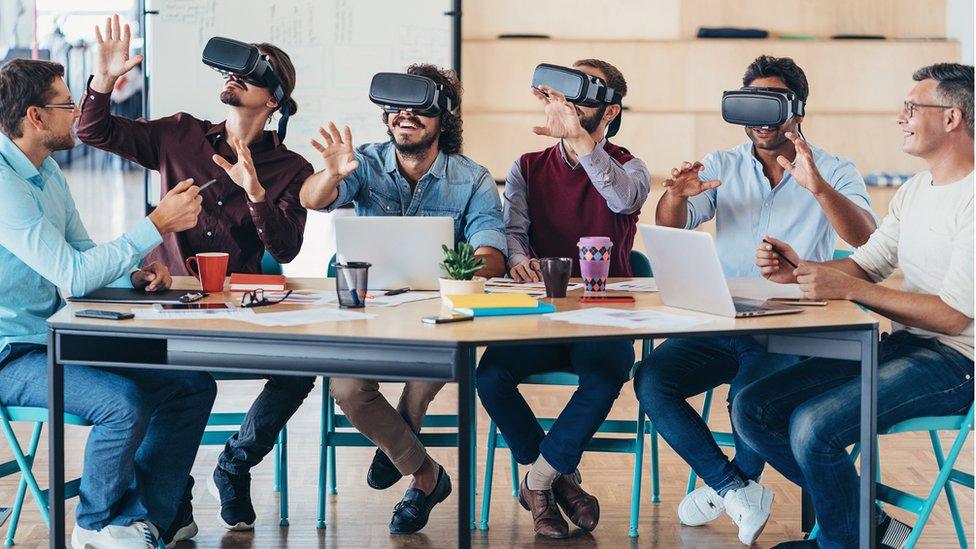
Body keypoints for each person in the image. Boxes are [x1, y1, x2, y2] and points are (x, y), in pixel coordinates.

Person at [75, 15, 317, 531]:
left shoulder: (291, 167)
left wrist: (255, 194)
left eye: (247, 74)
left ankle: (236, 461)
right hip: (166, 304)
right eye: (228, 71)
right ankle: (173, 491)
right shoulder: (179, 134)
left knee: (300, 368)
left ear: (272, 99)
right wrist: (103, 82)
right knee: (176, 381)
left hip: (237, 311)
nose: (231, 79)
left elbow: (288, 249)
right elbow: (92, 130)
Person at [632, 55, 878, 545]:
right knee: (651, 379)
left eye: (773, 102)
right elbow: (670, 225)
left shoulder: (833, 169)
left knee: (748, 400)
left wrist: (818, 187)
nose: (761, 117)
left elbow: (867, 238)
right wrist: (678, 196)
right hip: (725, 317)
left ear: (798, 111)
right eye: (751, 103)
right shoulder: (721, 165)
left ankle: (734, 486)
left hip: (795, 323)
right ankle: (734, 487)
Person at [736, 62, 974, 549]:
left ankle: (843, 541)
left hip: (958, 362)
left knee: (812, 427)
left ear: (952, 117)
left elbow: (953, 315)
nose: (900, 118)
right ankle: (864, 529)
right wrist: (799, 270)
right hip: (904, 346)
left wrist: (850, 289)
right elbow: (867, 265)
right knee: (753, 407)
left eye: (912, 107)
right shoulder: (914, 190)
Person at [0, 58, 215, 549]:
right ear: (35, 116)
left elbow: (80, 253)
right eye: (67, 103)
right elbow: (72, 277)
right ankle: (95, 524)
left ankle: (148, 520)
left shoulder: (46, 170)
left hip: (54, 337)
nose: (76, 113)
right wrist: (156, 225)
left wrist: (132, 274)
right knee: (122, 404)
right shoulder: (3, 184)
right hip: (11, 353)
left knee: (190, 386)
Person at [299, 63, 506, 533]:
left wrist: (463, 266)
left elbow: (492, 254)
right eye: (395, 106)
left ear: (444, 116)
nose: (405, 115)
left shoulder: (472, 178)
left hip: (444, 319)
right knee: (348, 388)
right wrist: (332, 175)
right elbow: (312, 199)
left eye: (420, 107)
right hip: (370, 318)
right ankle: (425, 473)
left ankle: (404, 438)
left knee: (423, 378)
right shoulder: (365, 163)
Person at [476, 59, 649, 539]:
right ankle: (561, 483)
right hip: (541, 312)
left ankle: (536, 482)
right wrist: (517, 260)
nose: (570, 104)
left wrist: (580, 141)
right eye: (565, 94)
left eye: (585, 96)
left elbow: (620, 200)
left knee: (608, 372)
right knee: (489, 376)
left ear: (610, 111)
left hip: (604, 316)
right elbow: (514, 233)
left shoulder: (631, 167)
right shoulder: (526, 167)